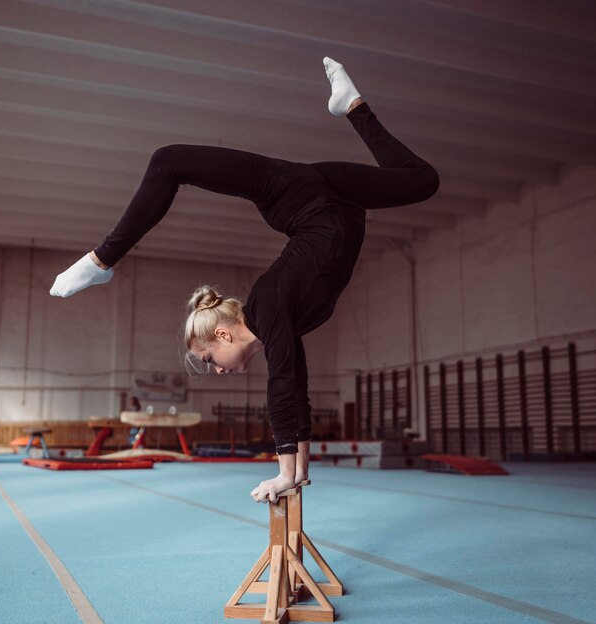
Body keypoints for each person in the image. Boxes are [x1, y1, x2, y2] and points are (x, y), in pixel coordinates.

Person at [50, 57, 439, 503]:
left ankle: (101, 262)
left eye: (210, 357)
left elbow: (282, 385)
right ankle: (351, 105)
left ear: (221, 332)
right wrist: (297, 474)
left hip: (290, 193)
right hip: (339, 198)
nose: (217, 370)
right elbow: (296, 383)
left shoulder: (267, 304)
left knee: (169, 161)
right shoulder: (280, 324)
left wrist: (281, 470)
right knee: (423, 180)